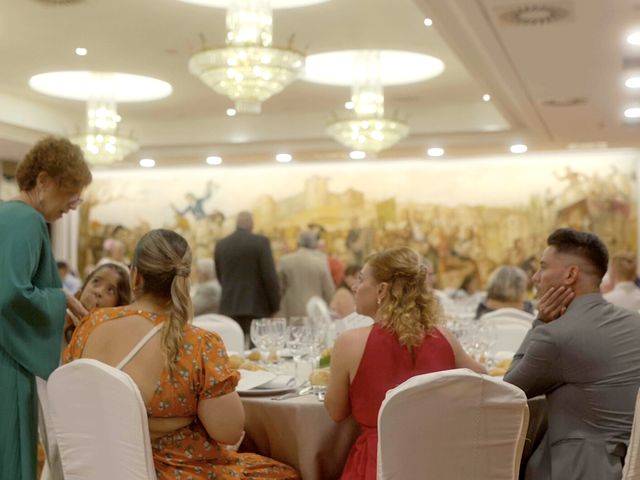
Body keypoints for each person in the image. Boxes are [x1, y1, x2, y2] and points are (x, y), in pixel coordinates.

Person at [64, 229, 298, 479]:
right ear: (185, 278)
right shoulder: (197, 344)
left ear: (135, 276)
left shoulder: (90, 325)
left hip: (96, 468)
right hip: (173, 472)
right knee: (284, 473)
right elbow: (228, 432)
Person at [325, 247, 486, 479]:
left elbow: (336, 412)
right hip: (438, 464)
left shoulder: (349, 343)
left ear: (382, 290)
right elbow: (482, 380)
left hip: (380, 464)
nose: (354, 287)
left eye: (360, 280)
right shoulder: (443, 337)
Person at [504, 228, 640, 480]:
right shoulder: (636, 323)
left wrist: (540, 323)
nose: (535, 277)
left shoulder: (556, 336)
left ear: (570, 274)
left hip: (575, 469)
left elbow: (507, 392)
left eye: (543, 267)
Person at [0, 136, 92, 480]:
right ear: (42, 182)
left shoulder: (5, 214)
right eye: (71, 192)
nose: (73, 205)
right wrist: (59, 299)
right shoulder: (27, 220)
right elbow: (9, 294)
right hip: (7, 361)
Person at [214, 211, 280, 341]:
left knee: (234, 349)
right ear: (252, 224)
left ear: (236, 223)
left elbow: (220, 275)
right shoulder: (260, 242)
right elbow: (269, 277)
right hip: (257, 306)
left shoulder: (221, 245)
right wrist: (275, 306)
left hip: (229, 306)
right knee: (258, 351)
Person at [63, 262, 133, 344]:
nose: (98, 291)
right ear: (83, 288)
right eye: (96, 282)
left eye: (110, 291)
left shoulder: (114, 340)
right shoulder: (60, 319)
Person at [278, 230, 335, 317]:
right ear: (315, 244)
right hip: (315, 313)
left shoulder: (285, 261)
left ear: (298, 243)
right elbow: (329, 291)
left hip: (291, 313)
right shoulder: (321, 261)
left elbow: (278, 289)